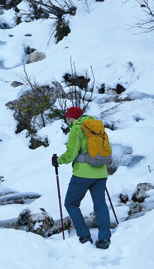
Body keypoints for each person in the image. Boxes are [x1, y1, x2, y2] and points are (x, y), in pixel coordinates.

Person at [52, 106, 111, 249]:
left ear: (74, 117)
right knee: (100, 205)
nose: (68, 122)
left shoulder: (76, 129)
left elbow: (71, 154)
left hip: (83, 174)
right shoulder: (97, 126)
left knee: (71, 203)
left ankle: (84, 235)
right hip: (101, 172)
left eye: (68, 119)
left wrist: (57, 160)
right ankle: (104, 238)